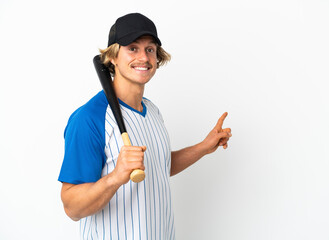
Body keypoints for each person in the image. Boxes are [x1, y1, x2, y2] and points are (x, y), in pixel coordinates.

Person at [58, 13, 232, 240]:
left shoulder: (152, 111)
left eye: (150, 49)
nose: (144, 57)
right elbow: (72, 207)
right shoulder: (90, 118)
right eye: (132, 48)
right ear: (112, 57)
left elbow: (157, 167)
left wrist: (203, 147)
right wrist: (115, 177)